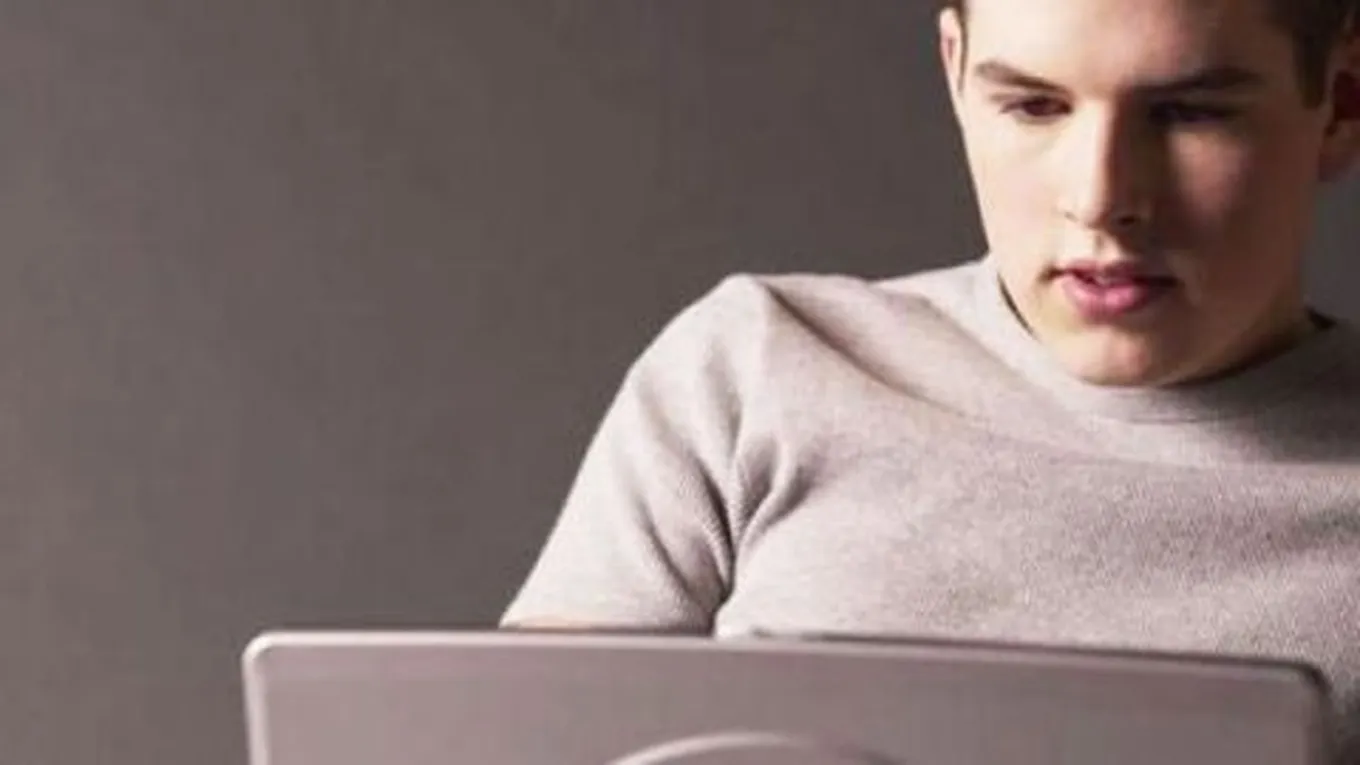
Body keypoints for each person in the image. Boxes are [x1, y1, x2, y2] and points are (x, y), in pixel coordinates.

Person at [503, 0, 1360, 758]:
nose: (1100, 198)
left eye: (1189, 112)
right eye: (1033, 105)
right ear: (956, 72)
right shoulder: (753, 369)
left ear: (1342, 102)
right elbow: (524, 741)